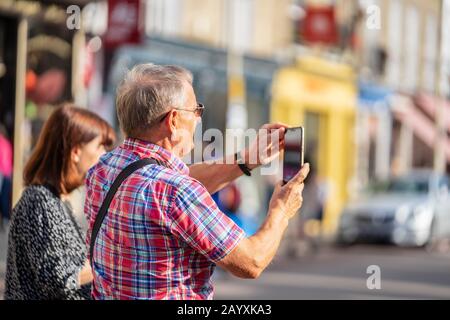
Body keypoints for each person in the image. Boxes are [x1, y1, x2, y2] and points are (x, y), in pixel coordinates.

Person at [85, 64, 310, 300]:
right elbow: (251, 261)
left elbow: (170, 186)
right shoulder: (174, 191)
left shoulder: (103, 169)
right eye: (196, 110)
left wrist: (247, 159)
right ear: (173, 120)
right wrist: (282, 210)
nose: (198, 120)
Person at [5, 104, 116, 300]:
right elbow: (59, 278)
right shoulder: (39, 201)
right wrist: (112, 259)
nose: (104, 156)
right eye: (100, 146)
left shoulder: (53, 200)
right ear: (75, 152)